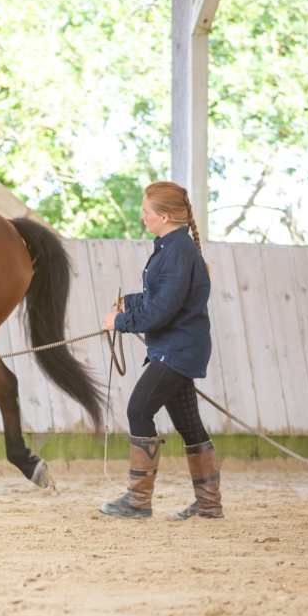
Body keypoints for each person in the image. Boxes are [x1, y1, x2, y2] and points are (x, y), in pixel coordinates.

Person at [99, 181, 223, 520]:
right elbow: (160, 299)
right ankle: (209, 504)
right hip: (177, 347)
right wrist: (130, 302)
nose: (143, 218)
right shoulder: (172, 247)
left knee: (139, 410)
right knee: (189, 424)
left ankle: (139, 502)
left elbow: (162, 312)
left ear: (164, 216)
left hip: (176, 349)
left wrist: (121, 321)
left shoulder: (176, 251)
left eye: (147, 213)